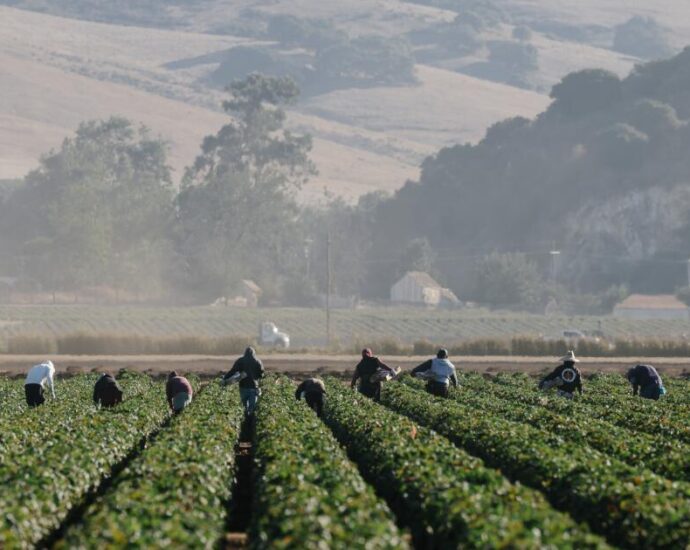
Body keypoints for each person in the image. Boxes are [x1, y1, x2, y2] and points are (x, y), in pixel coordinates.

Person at [223, 347, 264, 416]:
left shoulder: (240, 361)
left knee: (244, 405)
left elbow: (233, 371)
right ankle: (250, 420)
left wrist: (225, 378)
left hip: (243, 386)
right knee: (252, 406)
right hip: (253, 387)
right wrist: (256, 377)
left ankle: (245, 418)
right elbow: (261, 373)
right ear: (254, 353)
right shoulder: (257, 361)